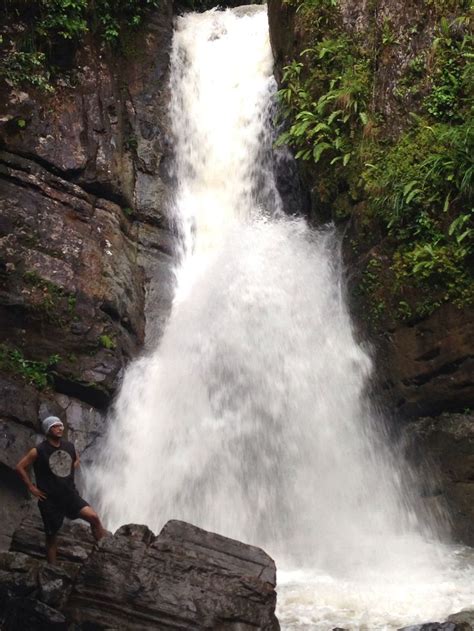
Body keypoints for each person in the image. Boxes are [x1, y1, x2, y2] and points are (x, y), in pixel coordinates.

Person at [15, 415, 106, 564]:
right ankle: (52, 568)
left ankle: (104, 554)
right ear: (48, 430)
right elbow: (19, 467)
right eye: (55, 426)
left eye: (60, 425)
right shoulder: (38, 450)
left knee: (94, 518)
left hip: (70, 496)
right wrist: (31, 487)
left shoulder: (69, 446)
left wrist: (71, 466)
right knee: (51, 537)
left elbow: (76, 459)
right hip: (50, 500)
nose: (60, 428)